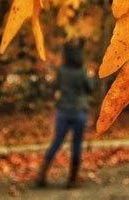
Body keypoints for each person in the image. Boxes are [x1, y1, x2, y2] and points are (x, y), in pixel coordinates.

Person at [35, 40, 95, 188]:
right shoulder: (81, 72)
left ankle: (41, 174)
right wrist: (90, 76)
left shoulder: (62, 71)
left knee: (56, 142)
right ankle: (72, 179)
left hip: (63, 111)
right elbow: (90, 88)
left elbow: (56, 87)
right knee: (76, 145)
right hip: (79, 112)